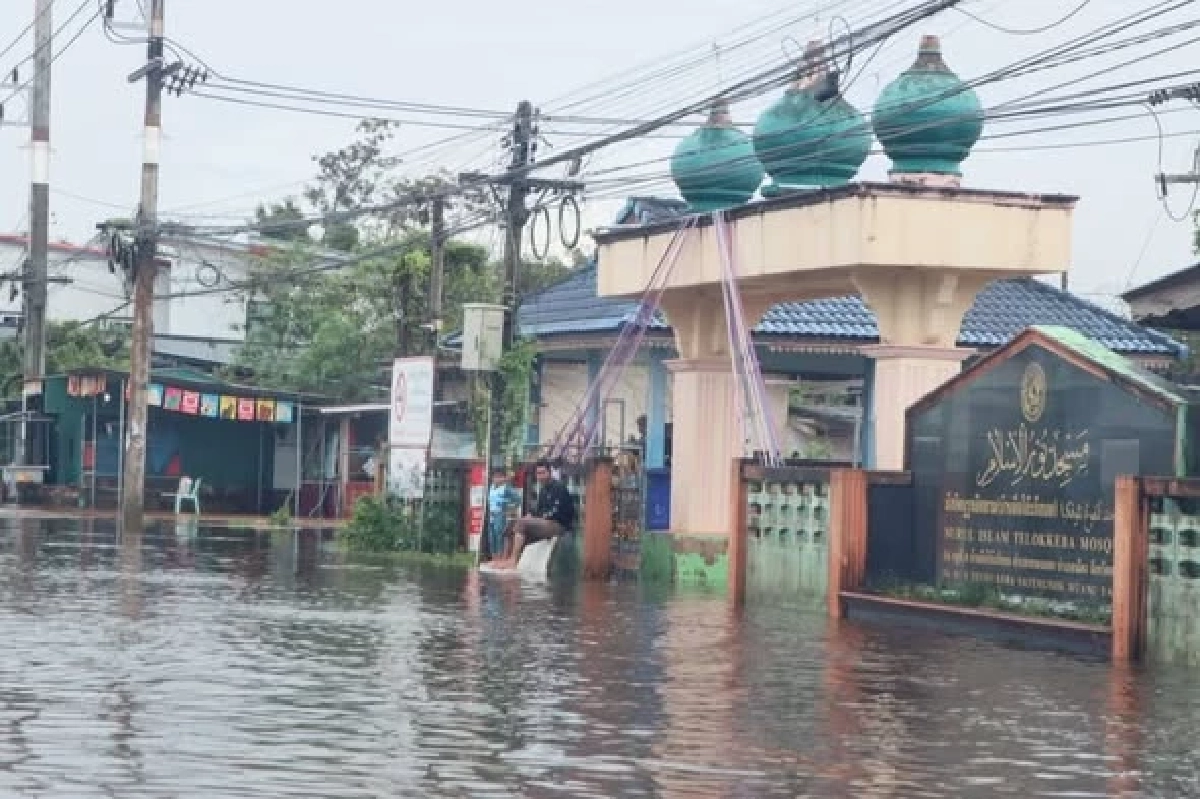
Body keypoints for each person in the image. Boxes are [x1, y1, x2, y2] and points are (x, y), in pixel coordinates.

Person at [492, 459, 575, 570]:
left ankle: (513, 561)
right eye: (538, 473)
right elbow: (538, 511)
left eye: (542, 473)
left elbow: (556, 512)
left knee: (522, 523)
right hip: (544, 523)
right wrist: (531, 516)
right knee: (511, 524)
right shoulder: (542, 490)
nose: (540, 476)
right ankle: (504, 559)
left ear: (549, 472)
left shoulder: (559, 488)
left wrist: (535, 519)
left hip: (559, 525)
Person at [486, 468, 521, 561]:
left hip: (501, 515)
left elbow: (517, 500)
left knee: (500, 537)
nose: (496, 479)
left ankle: (501, 559)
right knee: (491, 537)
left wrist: (508, 509)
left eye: (499, 477)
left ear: (504, 478)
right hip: (491, 515)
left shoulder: (506, 488)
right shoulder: (491, 487)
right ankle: (494, 559)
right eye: (495, 477)